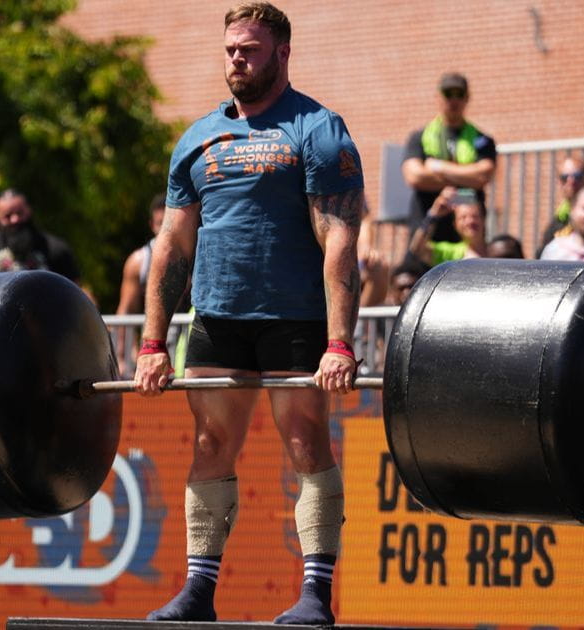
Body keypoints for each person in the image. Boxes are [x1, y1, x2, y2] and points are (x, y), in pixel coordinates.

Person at [132, 4, 364, 625]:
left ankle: (315, 595)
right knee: (209, 444)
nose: (237, 59)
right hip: (217, 317)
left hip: (295, 317)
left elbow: (339, 238)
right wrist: (152, 343)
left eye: (251, 49)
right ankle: (198, 592)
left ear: (282, 53)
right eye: (231, 49)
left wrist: (339, 342)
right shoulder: (197, 138)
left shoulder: (317, 128)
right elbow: (172, 245)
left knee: (305, 441)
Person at [401, 72, 496, 243]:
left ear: (467, 98)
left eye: (459, 94)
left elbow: (483, 176)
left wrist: (438, 167)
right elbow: (415, 176)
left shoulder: (482, 140)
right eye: (448, 94)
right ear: (438, 97)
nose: (454, 100)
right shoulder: (419, 137)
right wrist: (465, 177)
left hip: (468, 233)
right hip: (427, 229)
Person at [0, 189, 80, 280]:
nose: (15, 220)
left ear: (29, 211)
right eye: (7, 216)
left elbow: (74, 291)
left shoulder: (56, 249)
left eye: (20, 213)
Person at [408, 187, 486, 266]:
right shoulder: (451, 254)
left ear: (483, 219)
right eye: (463, 218)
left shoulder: (493, 250)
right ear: (455, 225)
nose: (470, 221)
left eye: (475, 216)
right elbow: (417, 250)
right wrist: (433, 215)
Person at [117, 194, 168, 315]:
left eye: (168, 223)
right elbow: (125, 312)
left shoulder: (195, 255)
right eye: (160, 223)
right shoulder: (138, 262)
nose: (165, 230)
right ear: (152, 225)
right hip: (151, 327)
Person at [536, 156, 584, 256]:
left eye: (577, 176)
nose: (571, 182)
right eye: (564, 178)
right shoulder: (559, 219)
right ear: (559, 183)